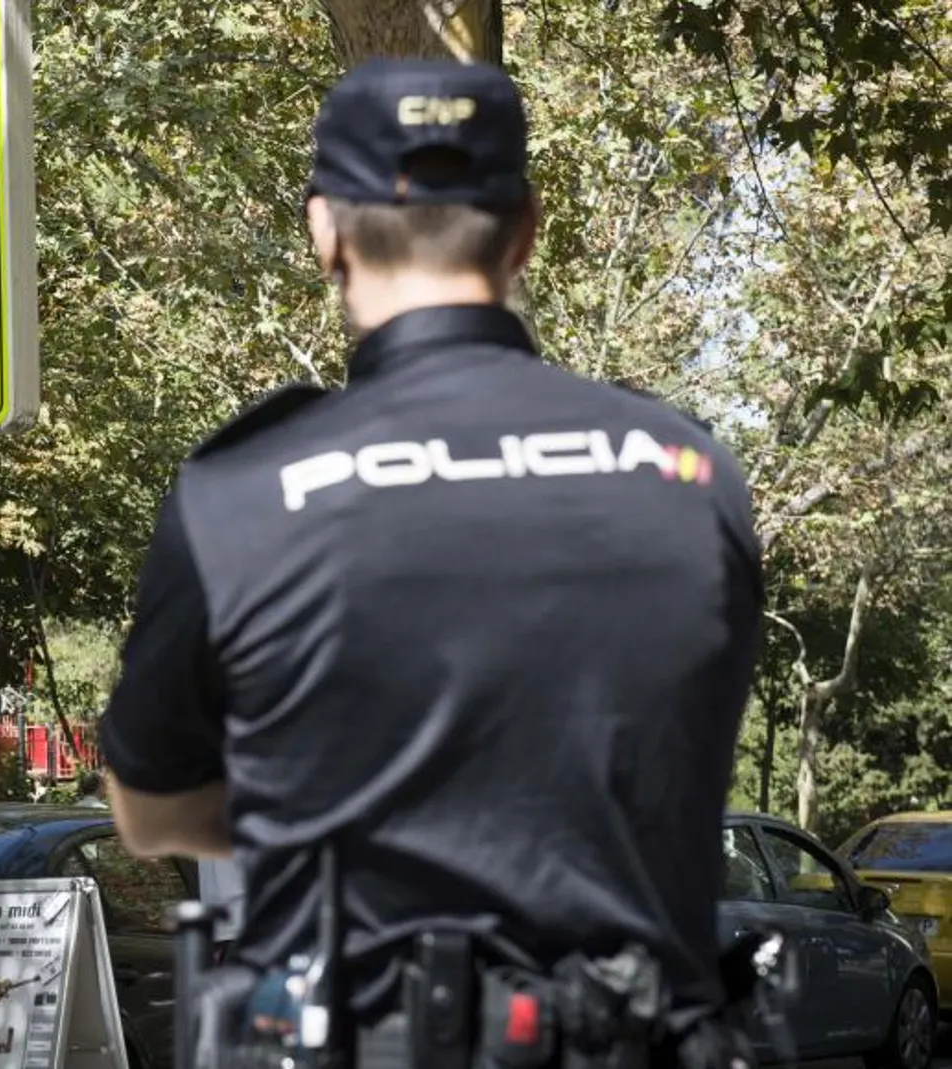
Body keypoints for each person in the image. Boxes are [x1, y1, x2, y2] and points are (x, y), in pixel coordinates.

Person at [99, 58, 762, 1068]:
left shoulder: (239, 491)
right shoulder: (688, 472)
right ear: (526, 225)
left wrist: (335, 815)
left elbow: (148, 812)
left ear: (324, 231)